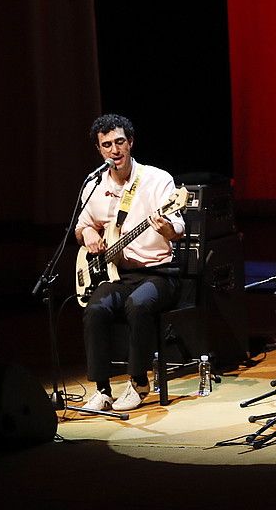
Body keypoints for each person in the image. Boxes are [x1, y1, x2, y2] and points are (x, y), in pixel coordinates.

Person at [76, 114, 185, 412]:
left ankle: (138, 381)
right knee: (95, 309)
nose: (114, 150)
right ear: (99, 150)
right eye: (107, 145)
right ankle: (101, 388)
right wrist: (88, 236)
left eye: (120, 142)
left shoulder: (157, 179)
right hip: (117, 275)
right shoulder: (93, 185)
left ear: (131, 143)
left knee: (137, 305)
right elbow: (82, 226)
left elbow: (177, 227)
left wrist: (165, 228)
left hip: (159, 274)